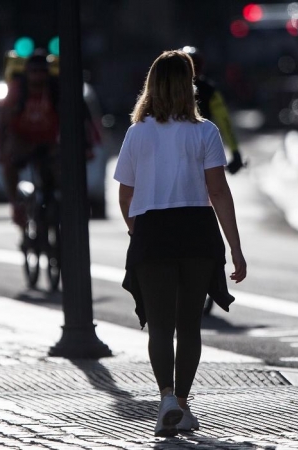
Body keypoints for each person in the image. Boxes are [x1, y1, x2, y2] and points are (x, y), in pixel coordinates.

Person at [115, 50, 247, 437]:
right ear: (189, 87)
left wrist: (134, 228)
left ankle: (167, 398)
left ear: (151, 86)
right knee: (189, 326)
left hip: (153, 230)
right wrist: (235, 249)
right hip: (196, 231)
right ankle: (184, 403)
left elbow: (125, 193)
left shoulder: (137, 133)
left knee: (159, 325)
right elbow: (219, 192)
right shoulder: (205, 131)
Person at [0, 50, 62, 227]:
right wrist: (2, 151)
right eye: (34, 72)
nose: (38, 77)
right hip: (22, 142)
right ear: (27, 73)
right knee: (9, 166)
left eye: (42, 71)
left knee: (59, 172)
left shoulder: (56, 91)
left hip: (48, 143)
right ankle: (16, 206)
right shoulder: (17, 90)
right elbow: (1, 124)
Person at [185, 47, 244, 175]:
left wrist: (235, 152)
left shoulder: (165, 89)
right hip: (201, 147)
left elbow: (224, 121)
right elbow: (225, 122)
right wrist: (235, 152)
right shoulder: (209, 89)